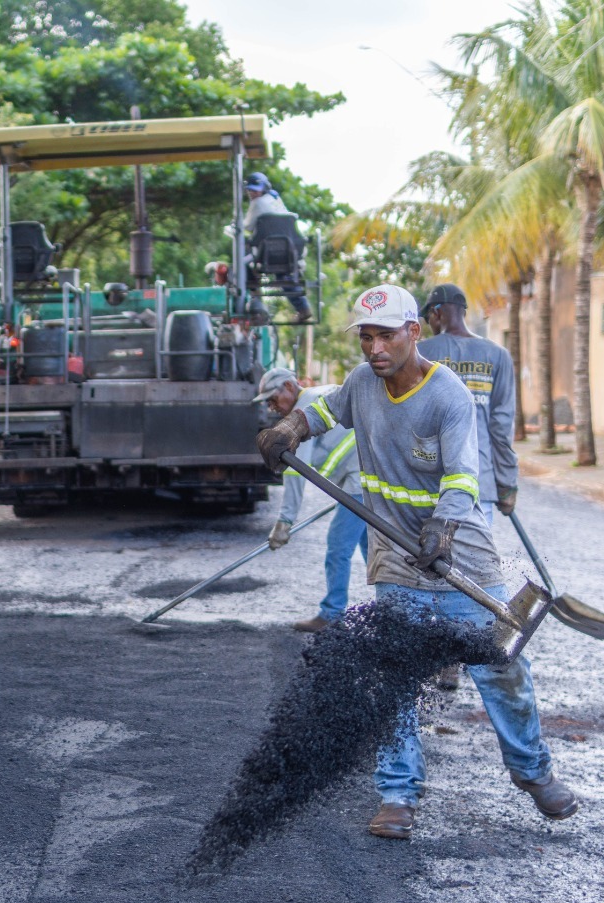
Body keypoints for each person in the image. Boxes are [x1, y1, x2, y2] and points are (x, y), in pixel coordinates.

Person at [256, 284, 579, 842]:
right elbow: (326, 409)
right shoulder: (362, 383)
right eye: (366, 336)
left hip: (461, 551)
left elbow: (461, 476)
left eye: (386, 335)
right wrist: (292, 426)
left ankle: (533, 772)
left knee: (500, 667)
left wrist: (443, 525)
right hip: (395, 555)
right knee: (392, 671)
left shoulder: (448, 395)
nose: (375, 347)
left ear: (415, 332)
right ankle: (397, 793)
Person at [253, 367, 369, 633]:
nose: (271, 407)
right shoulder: (316, 396)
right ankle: (394, 608)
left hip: (359, 484)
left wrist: (284, 521)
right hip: (361, 481)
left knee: (338, 547)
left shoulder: (305, 410)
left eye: (273, 398)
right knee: (373, 549)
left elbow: (295, 469)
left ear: (289, 387)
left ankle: (332, 614)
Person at [420, 283, 519, 525]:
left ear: (437, 313)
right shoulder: (498, 355)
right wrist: (507, 483)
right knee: (474, 559)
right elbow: (502, 427)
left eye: (428, 318)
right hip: (478, 482)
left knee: (424, 559)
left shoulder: (419, 353)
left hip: (427, 484)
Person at [227, 171, 312, 321]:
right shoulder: (276, 199)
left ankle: (254, 299)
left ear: (264, 188)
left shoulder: (257, 203)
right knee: (284, 274)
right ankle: (303, 307)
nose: (253, 192)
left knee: (242, 263)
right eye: (250, 189)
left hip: (267, 254)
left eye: (256, 189)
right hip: (288, 252)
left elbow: (246, 227)